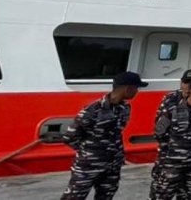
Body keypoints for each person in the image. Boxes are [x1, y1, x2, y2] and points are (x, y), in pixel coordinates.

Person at [60, 71, 146, 200]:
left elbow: (117, 133)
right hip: (89, 165)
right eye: (136, 88)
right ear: (128, 88)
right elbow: (69, 137)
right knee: (74, 197)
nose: (137, 92)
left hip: (112, 165)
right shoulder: (93, 110)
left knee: (106, 196)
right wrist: (89, 152)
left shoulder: (125, 108)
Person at [150, 68, 191, 200]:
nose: (188, 86)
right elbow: (160, 129)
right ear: (181, 83)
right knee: (160, 190)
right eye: (186, 82)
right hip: (169, 156)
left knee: (188, 192)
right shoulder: (171, 99)